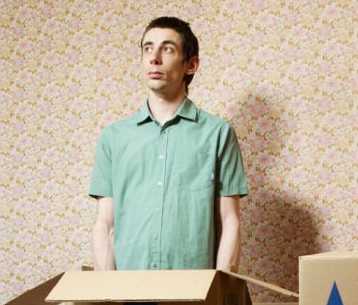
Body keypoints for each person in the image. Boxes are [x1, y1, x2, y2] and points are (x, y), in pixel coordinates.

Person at [90, 17, 248, 272]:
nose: (154, 58)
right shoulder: (113, 138)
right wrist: (106, 290)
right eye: (148, 48)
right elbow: (105, 225)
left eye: (167, 49)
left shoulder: (218, 133)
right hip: (129, 289)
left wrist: (219, 289)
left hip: (194, 288)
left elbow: (229, 221)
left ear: (191, 65)